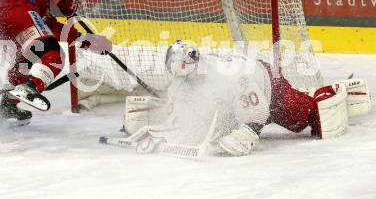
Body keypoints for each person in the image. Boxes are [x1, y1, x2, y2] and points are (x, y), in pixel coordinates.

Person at [123, 40, 372, 156]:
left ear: (191, 64)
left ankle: (329, 94)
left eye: (180, 67)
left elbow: (258, 107)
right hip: (234, 100)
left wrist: (249, 131)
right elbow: (185, 116)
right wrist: (158, 131)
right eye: (173, 68)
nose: (177, 74)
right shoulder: (182, 84)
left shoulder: (226, 77)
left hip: (268, 85)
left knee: (305, 119)